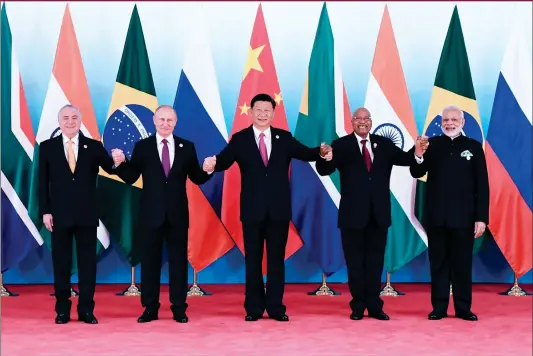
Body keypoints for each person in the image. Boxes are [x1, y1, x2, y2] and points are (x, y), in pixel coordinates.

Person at [203, 93, 331, 322]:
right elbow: (224, 160)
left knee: (275, 261)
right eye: (258, 110)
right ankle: (253, 308)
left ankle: (275, 308)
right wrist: (212, 164)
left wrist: (321, 152)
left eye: (267, 110)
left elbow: (307, 153)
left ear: (273, 113)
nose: (262, 114)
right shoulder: (240, 139)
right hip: (251, 211)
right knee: (252, 260)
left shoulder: (284, 138)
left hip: (279, 211)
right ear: (251, 112)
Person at [315, 107, 425, 321]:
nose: (362, 122)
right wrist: (324, 158)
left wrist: (418, 153)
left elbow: (406, 159)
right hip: (351, 216)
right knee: (355, 263)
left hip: (379, 215)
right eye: (358, 119)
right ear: (352, 121)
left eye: (366, 119)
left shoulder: (384, 144)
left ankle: (375, 305)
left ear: (371, 121)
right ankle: (358, 306)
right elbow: (324, 170)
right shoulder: (341, 145)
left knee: (375, 263)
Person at [113, 105, 212, 324]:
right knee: (150, 263)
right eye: (161, 120)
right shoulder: (143, 147)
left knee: (178, 263)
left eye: (170, 120)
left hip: (177, 215)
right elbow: (130, 177)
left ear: (175, 122)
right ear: (154, 121)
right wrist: (120, 164)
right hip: (150, 215)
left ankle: (179, 308)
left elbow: (197, 177)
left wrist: (207, 169)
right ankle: (150, 308)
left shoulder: (187, 147)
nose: (165, 124)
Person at [39, 104, 120, 324]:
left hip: (86, 214)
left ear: (80, 121)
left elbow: (110, 168)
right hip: (58, 215)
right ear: (59, 121)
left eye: (74, 117)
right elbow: (41, 182)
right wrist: (45, 211)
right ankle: (62, 311)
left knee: (87, 265)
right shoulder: (47, 147)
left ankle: (86, 310)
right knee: (61, 264)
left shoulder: (93, 146)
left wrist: (117, 161)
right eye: (65, 117)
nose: (70, 121)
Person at [410, 105, 488, 321]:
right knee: (439, 264)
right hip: (436, 217)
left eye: (454, 120)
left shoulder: (473, 147)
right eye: (446, 120)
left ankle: (463, 308)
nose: (450, 123)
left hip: (465, 218)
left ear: (462, 123)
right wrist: (417, 154)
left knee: (462, 264)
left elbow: (482, 185)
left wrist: (481, 218)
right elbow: (416, 171)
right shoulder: (430, 145)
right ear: (441, 123)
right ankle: (439, 307)